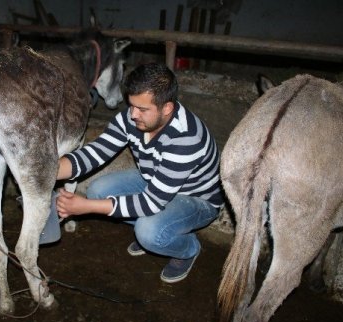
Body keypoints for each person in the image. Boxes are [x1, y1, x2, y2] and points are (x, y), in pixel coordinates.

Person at [52, 62, 223, 283]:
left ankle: (187, 247)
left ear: (167, 108)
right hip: (155, 182)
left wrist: (83, 207)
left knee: (149, 231)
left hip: (197, 200)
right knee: (98, 190)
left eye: (142, 109)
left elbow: (150, 203)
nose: (133, 115)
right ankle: (158, 231)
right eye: (131, 106)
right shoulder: (133, 118)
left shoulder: (186, 138)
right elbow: (96, 152)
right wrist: (47, 171)